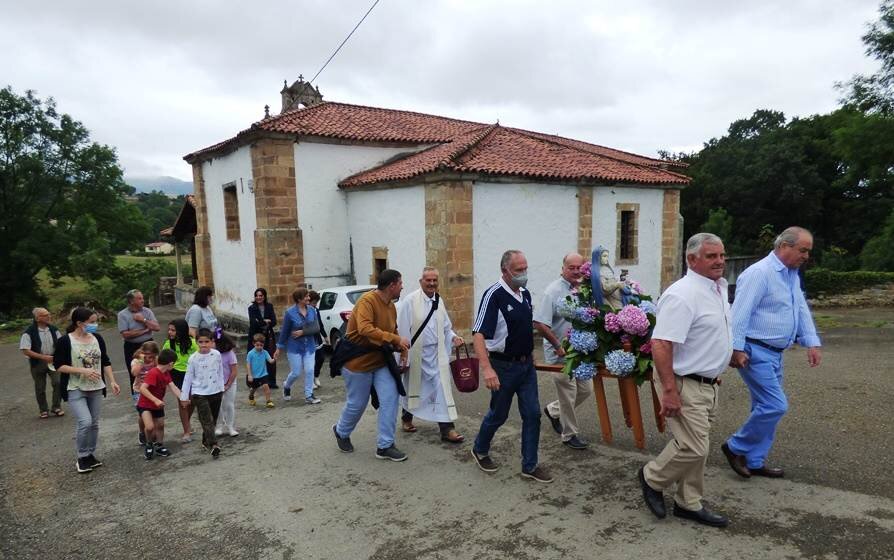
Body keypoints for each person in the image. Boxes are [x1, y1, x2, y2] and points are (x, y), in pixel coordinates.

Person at [637, 233, 732, 528]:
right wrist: (668, 391)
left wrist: (733, 354)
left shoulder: (718, 287)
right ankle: (651, 477)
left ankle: (688, 502)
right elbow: (662, 344)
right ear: (691, 259)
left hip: (709, 382)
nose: (720, 261)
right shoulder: (682, 294)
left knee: (698, 443)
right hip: (683, 381)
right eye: (711, 256)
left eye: (721, 255)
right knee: (694, 447)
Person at [722, 227, 822, 480]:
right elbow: (740, 314)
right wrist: (736, 349)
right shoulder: (759, 273)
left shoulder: (791, 274)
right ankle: (735, 447)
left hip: (775, 353)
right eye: (803, 250)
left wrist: (811, 342)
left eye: (808, 251)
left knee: (763, 408)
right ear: (784, 246)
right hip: (755, 352)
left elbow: (800, 308)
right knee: (775, 405)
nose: (806, 256)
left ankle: (754, 460)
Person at [470, 250, 552, 483]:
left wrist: (531, 355)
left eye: (525, 268)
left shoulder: (524, 294)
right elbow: (478, 334)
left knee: (533, 414)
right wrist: (487, 369)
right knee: (499, 414)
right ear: (505, 270)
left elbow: (526, 328)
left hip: (526, 367)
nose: (524, 274)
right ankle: (480, 449)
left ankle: (530, 465)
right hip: (502, 366)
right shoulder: (493, 295)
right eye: (518, 270)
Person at [332, 269, 411, 461]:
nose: (402, 286)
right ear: (391, 285)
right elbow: (365, 329)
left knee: (391, 398)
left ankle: (385, 446)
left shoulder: (391, 306)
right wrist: (395, 338)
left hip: (380, 361)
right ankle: (341, 431)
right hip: (357, 362)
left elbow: (393, 332)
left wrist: (401, 350)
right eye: (400, 283)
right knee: (357, 404)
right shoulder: (367, 301)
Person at [397, 267, 465, 443]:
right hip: (417, 354)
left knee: (441, 389)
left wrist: (454, 337)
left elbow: (446, 328)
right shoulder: (410, 301)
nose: (432, 283)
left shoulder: (439, 301)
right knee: (414, 388)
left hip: (437, 355)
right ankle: (406, 418)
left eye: (435, 280)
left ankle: (447, 429)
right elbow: (402, 328)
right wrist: (404, 356)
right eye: (428, 280)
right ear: (421, 281)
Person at [53, 307, 121, 473]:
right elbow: (59, 365)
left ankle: (90, 454)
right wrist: (82, 371)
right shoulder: (65, 341)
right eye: (91, 322)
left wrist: (112, 381)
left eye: (95, 321)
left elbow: (105, 361)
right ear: (79, 323)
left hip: (96, 387)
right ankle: (82, 456)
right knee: (85, 421)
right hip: (75, 387)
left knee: (94, 423)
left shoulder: (97, 338)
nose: (95, 325)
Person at [535, 253, 592, 450]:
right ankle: (569, 435)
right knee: (569, 393)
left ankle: (553, 410)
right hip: (560, 353)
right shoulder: (553, 291)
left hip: (579, 353)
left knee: (586, 390)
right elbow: (540, 323)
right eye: (571, 267)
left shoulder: (584, 288)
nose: (576, 271)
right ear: (563, 268)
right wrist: (558, 347)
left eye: (579, 267)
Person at [180, 328, 225, 458]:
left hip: (216, 391)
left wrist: (221, 387)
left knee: (213, 419)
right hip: (199, 393)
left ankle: (206, 440)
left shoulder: (216, 355)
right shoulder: (193, 359)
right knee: (207, 420)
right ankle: (214, 444)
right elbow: (188, 377)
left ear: (212, 342)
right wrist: (184, 396)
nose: (204, 344)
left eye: (207, 341)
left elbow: (220, 371)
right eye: (201, 342)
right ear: (197, 342)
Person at [274, 288, 322, 405]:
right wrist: (278, 348)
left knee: (310, 370)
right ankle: (287, 385)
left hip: (310, 346)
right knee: (296, 373)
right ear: (299, 299)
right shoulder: (290, 313)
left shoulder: (312, 310)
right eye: (306, 296)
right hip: (294, 347)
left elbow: (317, 328)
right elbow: (284, 332)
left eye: (308, 296)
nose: (309, 298)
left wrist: (303, 332)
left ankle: (309, 395)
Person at [136, 348, 182, 460]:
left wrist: (183, 397)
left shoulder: (166, 373)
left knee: (160, 425)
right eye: (174, 364)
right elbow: (142, 388)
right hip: (145, 405)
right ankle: (149, 443)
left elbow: (173, 387)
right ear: (171, 363)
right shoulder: (154, 373)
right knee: (150, 427)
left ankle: (159, 445)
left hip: (157, 406)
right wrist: (155, 400)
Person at [20, 307, 63, 419]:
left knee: (58, 382)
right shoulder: (28, 332)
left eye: (49, 314)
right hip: (37, 363)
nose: (49, 316)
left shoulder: (54, 329)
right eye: (45, 315)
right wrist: (43, 357)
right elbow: (25, 350)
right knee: (40, 387)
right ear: (38, 318)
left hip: (54, 360)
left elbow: (61, 344)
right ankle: (43, 410)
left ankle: (56, 407)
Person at [162, 319, 199, 443]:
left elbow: (199, 358)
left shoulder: (193, 343)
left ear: (181, 331)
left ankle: (187, 423)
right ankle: (186, 431)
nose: (170, 332)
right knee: (182, 402)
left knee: (192, 400)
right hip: (176, 375)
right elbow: (163, 360)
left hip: (191, 374)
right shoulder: (168, 344)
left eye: (173, 330)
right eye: (169, 330)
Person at [117, 289, 160, 394]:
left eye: (142, 298)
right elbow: (125, 334)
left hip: (148, 345)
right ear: (132, 301)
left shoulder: (147, 311)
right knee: (135, 372)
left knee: (153, 370)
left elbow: (156, 327)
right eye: (139, 298)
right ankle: (137, 396)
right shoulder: (122, 314)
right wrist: (145, 330)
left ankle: (154, 393)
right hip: (131, 347)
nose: (142, 300)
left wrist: (143, 320)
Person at [248, 287, 279, 389]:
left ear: (264, 296)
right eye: (256, 295)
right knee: (255, 359)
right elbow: (253, 323)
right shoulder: (252, 308)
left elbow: (274, 321)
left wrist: (261, 321)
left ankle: (271, 381)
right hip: (256, 337)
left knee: (269, 357)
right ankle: (253, 381)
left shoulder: (269, 306)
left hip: (268, 336)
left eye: (260, 295)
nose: (258, 297)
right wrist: (265, 321)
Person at [130, 341, 160, 447]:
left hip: (153, 391)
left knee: (154, 413)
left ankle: (154, 433)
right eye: (146, 355)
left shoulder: (156, 360)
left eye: (151, 356)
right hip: (139, 391)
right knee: (143, 414)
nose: (148, 358)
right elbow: (134, 373)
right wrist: (142, 361)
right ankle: (142, 432)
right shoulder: (136, 361)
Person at [214, 332, 240, 437]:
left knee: (229, 404)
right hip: (216, 383)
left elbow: (234, 371)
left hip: (230, 382)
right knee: (218, 405)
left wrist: (228, 385)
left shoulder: (230, 354)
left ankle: (230, 426)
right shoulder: (213, 353)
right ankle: (219, 425)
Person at [246, 334, 276, 408]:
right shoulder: (250, 354)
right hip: (254, 375)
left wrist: (274, 358)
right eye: (257, 345)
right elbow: (248, 365)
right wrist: (250, 375)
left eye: (261, 345)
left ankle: (268, 401)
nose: (259, 347)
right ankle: (251, 396)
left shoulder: (265, 352)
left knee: (266, 386)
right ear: (254, 344)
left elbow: (270, 361)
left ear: (263, 345)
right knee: (253, 389)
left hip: (263, 374)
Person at [308, 290, 328, 390]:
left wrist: (325, 336)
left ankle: (316, 376)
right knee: (311, 360)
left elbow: (320, 324)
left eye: (316, 302)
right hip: (309, 338)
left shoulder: (316, 310)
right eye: (314, 302)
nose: (315, 304)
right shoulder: (306, 311)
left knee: (321, 358)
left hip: (317, 338)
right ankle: (310, 380)